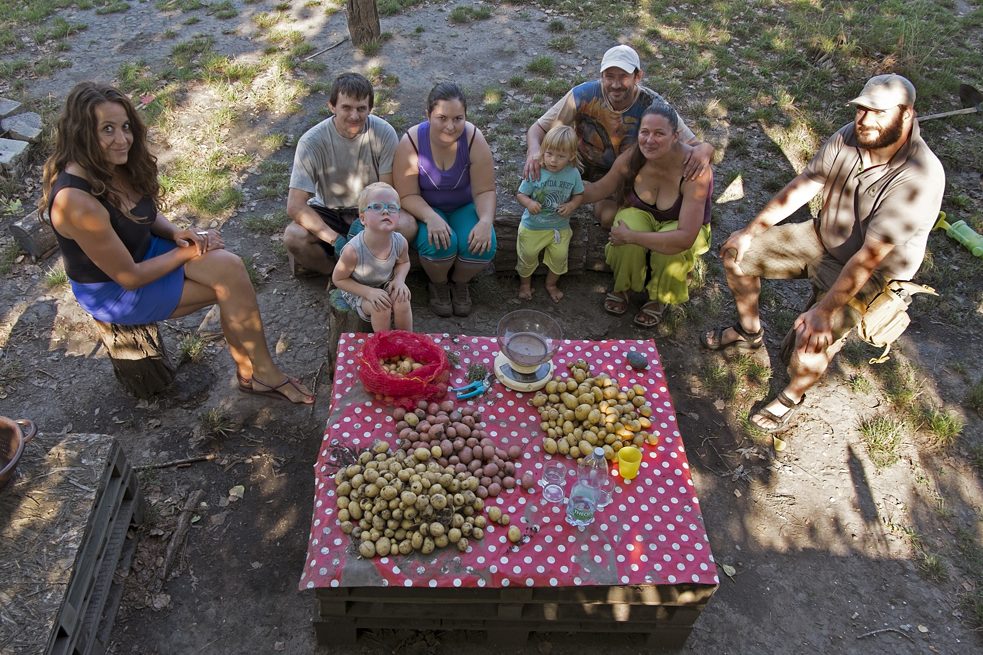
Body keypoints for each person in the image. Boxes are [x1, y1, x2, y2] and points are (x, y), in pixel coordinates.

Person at [41, 82, 314, 404]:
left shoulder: (113, 163)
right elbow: (129, 277)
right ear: (82, 134)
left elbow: (144, 213)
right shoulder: (75, 201)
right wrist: (188, 252)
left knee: (231, 267)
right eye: (108, 129)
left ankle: (253, 373)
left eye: (125, 126)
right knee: (230, 290)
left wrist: (174, 233)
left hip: (145, 252)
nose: (122, 139)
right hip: (116, 289)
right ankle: (261, 374)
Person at [701, 74, 944, 433]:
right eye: (861, 109)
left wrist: (824, 312)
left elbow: (870, 257)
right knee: (737, 256)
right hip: (824, 236)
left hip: (874, 271)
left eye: (877, 113)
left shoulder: (919, 178)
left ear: (907, 115)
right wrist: (750, 231)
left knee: (810, 341)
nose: (865, 121)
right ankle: (748, 332)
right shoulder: (849, 136)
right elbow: (806, 184)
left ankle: (792, 396)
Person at [524, 44, 714, 228]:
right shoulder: (581, 94)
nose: (615, 84)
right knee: (537, 188)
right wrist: (534, 153)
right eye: (609, 77)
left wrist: (706, 150)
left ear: (637, 76)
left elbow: (695, 145)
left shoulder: (653, 105)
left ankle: (602, 199)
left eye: (623, 77)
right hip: (578, 161)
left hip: (623, 171)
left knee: (607, 217)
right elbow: (538, 129)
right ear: (601, 76)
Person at [582, 100, 713, 327]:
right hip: (644, 218)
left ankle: (658, 299)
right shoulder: (635, 155)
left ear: (675, 136)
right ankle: (624, 286)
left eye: (659, 134)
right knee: (625, 223)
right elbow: (598, 190)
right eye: (645, 132)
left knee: (667, 251)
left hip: (683, 228)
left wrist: (632, 237)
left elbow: (685, 237)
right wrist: (557, 189)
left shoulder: (694, 168)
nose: (650, 140)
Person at [283, 72, 416, 275]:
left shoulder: (384, 132)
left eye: (361, 109)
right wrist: (335, 239)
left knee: (407, 225)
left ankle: (369, 271)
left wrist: (366, 226)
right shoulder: (311, 141)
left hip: (369, 206)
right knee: (293, 236)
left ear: (370, 109)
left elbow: (386, 191)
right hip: (328, 208)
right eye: (346, 107)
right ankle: (335, 274)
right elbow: (295, 206)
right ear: (332, 106)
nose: (354, 116)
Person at [393, 82, 496, 317]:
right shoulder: (411, 141)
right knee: (438, 242)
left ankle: (460, 283)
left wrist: (485, 221)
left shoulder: (473, 139)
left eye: (458, 118)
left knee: (483, 242)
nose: (450, 126)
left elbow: (484, 190)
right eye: (442, 118)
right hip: (426, 207)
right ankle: (438, 285)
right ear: (427, 114)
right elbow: (407, 194)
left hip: (464, 205)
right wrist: (429, 217)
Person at [515, 125, 584, 302]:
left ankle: (551, 284)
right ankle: (525, 284)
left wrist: (571, 205)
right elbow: (521, 194)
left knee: (560, 257)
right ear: (543, 151)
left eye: (561, 156)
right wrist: (529, 203)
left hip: (559, 227)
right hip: (533, 226)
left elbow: (579, 195)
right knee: (527, 255)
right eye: (549, 153)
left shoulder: (573, 174)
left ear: (571, 156)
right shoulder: (536, 170)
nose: (553, 160)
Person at [331, 182, 412, 332]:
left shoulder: (400, 242)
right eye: (377, 207)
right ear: (363, 219)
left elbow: (404, 262)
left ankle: (406, 342)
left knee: (402, 299)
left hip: (384, 283)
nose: (386, 211)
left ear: (398, 216)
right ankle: (384, 346)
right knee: (381, 308)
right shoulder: (353, 250)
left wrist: (399, 280)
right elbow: (339, 279)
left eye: (392, 207)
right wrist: (368, 292)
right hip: (357, 290)